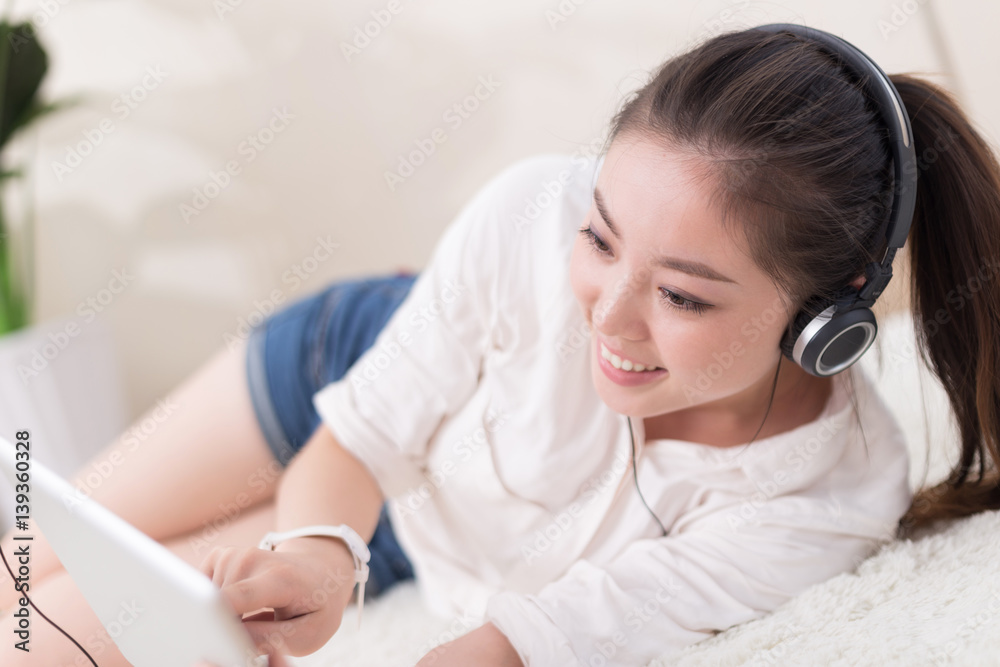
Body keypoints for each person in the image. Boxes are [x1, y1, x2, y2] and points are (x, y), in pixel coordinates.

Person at [3, 23, 1000, 667]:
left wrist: (343, 565)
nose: (605, 317)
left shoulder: (825, 501)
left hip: (431, 538)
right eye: (599, 237)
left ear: (830, 319)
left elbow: (524, 640)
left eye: (683, 297)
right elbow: (353, 447)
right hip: (346, 373)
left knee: (59, 639)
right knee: (20, 570)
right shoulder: (525, 215)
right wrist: (311, 550)